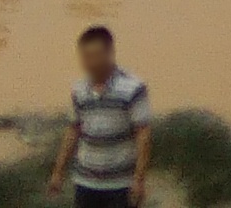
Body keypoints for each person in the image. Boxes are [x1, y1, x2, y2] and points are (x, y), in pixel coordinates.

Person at [47, 25, 152, 205]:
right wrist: (58, 172)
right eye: (85, 57)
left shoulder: (133, 88)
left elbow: (143, 135)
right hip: (85, 181)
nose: (90, 63)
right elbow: (73, 130)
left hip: (120, 183)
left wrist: (139, 179)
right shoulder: (79, 90)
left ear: (110, 52)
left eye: (95, 56)